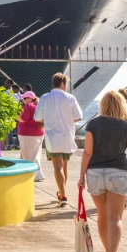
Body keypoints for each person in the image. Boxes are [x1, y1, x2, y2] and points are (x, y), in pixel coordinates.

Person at [78, 91, 127, 252]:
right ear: (121, 104)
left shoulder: (93, 124)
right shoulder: (126, 125)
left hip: (95, 172)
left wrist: (81, 176)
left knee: (102, 216)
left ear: (103, 105)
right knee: (116, 218)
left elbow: (87, 152)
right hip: (118, 173)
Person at [34, 72, 84, 206]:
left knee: (57, 166)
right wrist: (67, 120)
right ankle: (62, 192)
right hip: (67, 136)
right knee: (64, 165)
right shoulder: (70, 98)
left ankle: (62, 195)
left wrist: (48, 119)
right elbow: (79, 116)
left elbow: (37, 117)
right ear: (62, 84)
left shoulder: (44, 98)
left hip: (52, 137)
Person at [17, 90, 46, 182]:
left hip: (27, 134)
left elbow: (23, 119)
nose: (23, 100)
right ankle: (39, 173)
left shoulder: (28, 106)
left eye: (24, 98)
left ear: (29, 99)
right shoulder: (39, 106)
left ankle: (32, 175)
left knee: (28, 156)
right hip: (39, 133)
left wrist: (14, 115)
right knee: (36, 154)